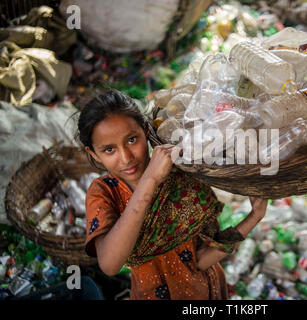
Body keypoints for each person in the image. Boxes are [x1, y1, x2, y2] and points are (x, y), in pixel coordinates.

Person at [75, 90, 268, 300]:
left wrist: (254, 217)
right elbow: (110, 264)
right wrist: (150, 181)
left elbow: (200, 260)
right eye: (109, 150)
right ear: (93, 153)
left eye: (132, 140)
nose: (126, 157)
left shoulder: (182, 174)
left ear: (147, 131)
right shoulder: (104, 192)